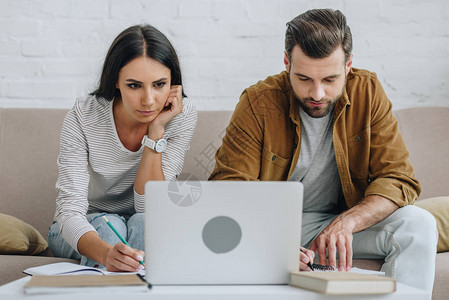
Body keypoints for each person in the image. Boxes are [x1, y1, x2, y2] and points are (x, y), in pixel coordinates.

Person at [209, 9, 437, 292]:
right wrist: (271, 246)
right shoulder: (258, 102)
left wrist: (347, 222)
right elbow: (229, 190)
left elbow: (397, 178)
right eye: (304, 78)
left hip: (338, 223)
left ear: (348, 65)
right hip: (273, 226)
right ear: (286, 62)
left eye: (330, 80)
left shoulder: (368, 92)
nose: (317, 94)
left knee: (420, 224)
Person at [47, 24, 197, 272]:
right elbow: (69, 212)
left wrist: (156, 131)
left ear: (173, 83)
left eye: (159, 85)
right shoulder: (84, 115)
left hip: (141, 218)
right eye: (134, 85)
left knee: (147, 223)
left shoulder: (180, 115)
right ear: (116, 80)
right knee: (108, 226)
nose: (149, 100)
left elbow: (149, 206)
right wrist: (107, 253)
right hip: (84, 226)